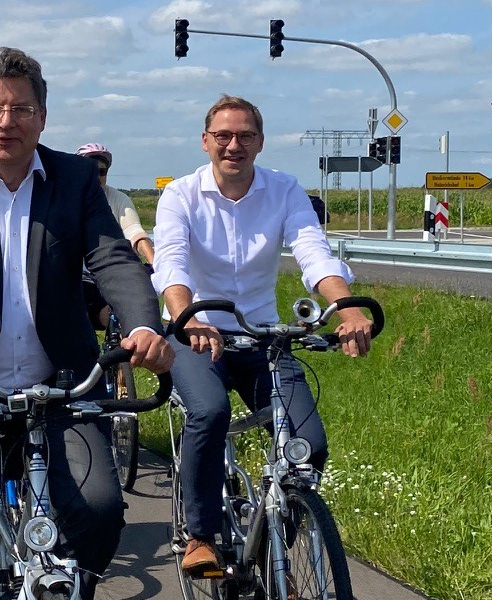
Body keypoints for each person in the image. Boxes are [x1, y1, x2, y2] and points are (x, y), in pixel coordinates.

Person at [0, 46, 174, 600]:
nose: (7, 122)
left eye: (21, 109)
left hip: (60, 382)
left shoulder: (72, 178)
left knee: (100, 507)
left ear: (42, 117)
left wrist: (143, 325)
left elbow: (113, 259)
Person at [151, 94, 374, 576]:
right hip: (196, 334)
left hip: (261, 338)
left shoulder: (284, 190)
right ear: (206, 141)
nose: (234, 145)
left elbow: (313, 251)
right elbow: (170, 260)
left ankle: (276, 536)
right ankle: (201, 534)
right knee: (209, 412)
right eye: (224, 136)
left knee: (308, 443)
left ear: (260, 142)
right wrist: (185, 316)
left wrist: (347, 308)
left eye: (245, 136)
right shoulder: (181, 194)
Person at [76, 142, 156, 327]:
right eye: (90, 170)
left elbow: (135, 233)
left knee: (121, 317)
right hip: (75, 276)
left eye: (102, 172)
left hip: (106, 274)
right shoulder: (66, 197)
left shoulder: (118, 198)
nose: (96, 177)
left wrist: (155, 263)